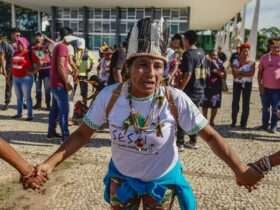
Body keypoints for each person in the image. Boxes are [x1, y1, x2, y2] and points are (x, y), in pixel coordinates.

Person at [25, 18, 262, 210]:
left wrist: (239, 169)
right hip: (122, 180)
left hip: (161, 182)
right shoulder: (110, 96)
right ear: (128, 68)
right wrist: (49, 164)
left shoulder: (174, 99)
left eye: (157, 65)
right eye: (142, 65)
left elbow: (210, 136)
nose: (150, 73)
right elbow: (83, 134)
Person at [178, 30, 207, 150]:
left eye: (184, 39)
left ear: (187, 40)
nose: (182, 41)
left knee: (181, 114)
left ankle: (179, 142)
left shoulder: (188, 54)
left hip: (190, 90)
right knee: (194, 116)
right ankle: (193, 141)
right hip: (200, 88)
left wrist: (180, 89)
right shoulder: (201, 52)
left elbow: (188, 74)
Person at [47, 35, 73, 141]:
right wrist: (66, 83)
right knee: (64, 110)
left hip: (54, 83)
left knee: (55, 109)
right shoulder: (63, 47)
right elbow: (61, 66)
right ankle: (65, 135)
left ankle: (51, 132)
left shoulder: (57, 46)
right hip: (59, 84)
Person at [258, 38, 280, 133]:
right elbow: (260, 72)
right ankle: (264, 125)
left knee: (276, 109)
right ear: (270, 47)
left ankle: (274, 126)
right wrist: (260, 86)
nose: (277, 49)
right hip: (265, 88)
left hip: (278, 90)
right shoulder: (264, 57)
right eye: (274, 47)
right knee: (265, 109)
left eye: (278, 47)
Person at [231, 43, 255, 129]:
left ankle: (243, 123)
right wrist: (245, 74)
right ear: (240, 51)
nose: (246, 53)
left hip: (248, 84)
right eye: (244, 51)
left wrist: (241, 73)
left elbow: (252, 74)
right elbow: (234, 74)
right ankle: (233, 121)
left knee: (246, 103)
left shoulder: (252, 61)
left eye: (247, 51)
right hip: (237, 83)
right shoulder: (235, 60)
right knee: (235, 103)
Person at [11, 37, 33, 121]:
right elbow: (12, 64)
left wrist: (33, 71)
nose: (18, 45)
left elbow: (40, 61)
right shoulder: (15, 53)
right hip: (15, 78)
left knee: (27, 97)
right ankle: (19, 113)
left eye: (20, 43)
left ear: (24, 44)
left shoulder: (29, 53)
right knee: (19, 97)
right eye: (17, 43)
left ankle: (30, 115)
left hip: (26, 78)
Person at [202, 50, 226, 126]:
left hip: (216, 87)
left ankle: (212, 120)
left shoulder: (220, 63)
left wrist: (218, 72)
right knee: (205, 104)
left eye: (215, 55)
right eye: (212, 55)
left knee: (215, 105)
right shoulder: (204, 63)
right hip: (206, 86)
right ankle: (205, 120)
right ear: (209, 56)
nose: (214, 57)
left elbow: (223, 74)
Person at [31, 32, 52, 110]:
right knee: (38, 88)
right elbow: (37, 59)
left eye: (40, 36)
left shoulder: (46, 46)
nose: (38, 38)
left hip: (46, 70)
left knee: (47, 89)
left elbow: (54, 44)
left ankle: (48, 104)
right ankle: (38, 103)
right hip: (37, 70)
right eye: (37, 36)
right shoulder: (33, 47)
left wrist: (46, 38)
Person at [73, 38, 95, 105]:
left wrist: (90, 68)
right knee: (72, 91)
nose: (80, 48)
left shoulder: (88, 52)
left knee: (84, 92)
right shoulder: (74, 51)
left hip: (83, 75)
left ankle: (84, 105)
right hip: (75, 74)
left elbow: (93, 61)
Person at [0, 33, 14, 110]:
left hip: (11, 64)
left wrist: (3, 70)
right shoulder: (8, 43)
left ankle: (7, 102)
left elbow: (1, 57)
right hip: (14, 63)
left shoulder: (2, 43)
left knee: (8, 83)